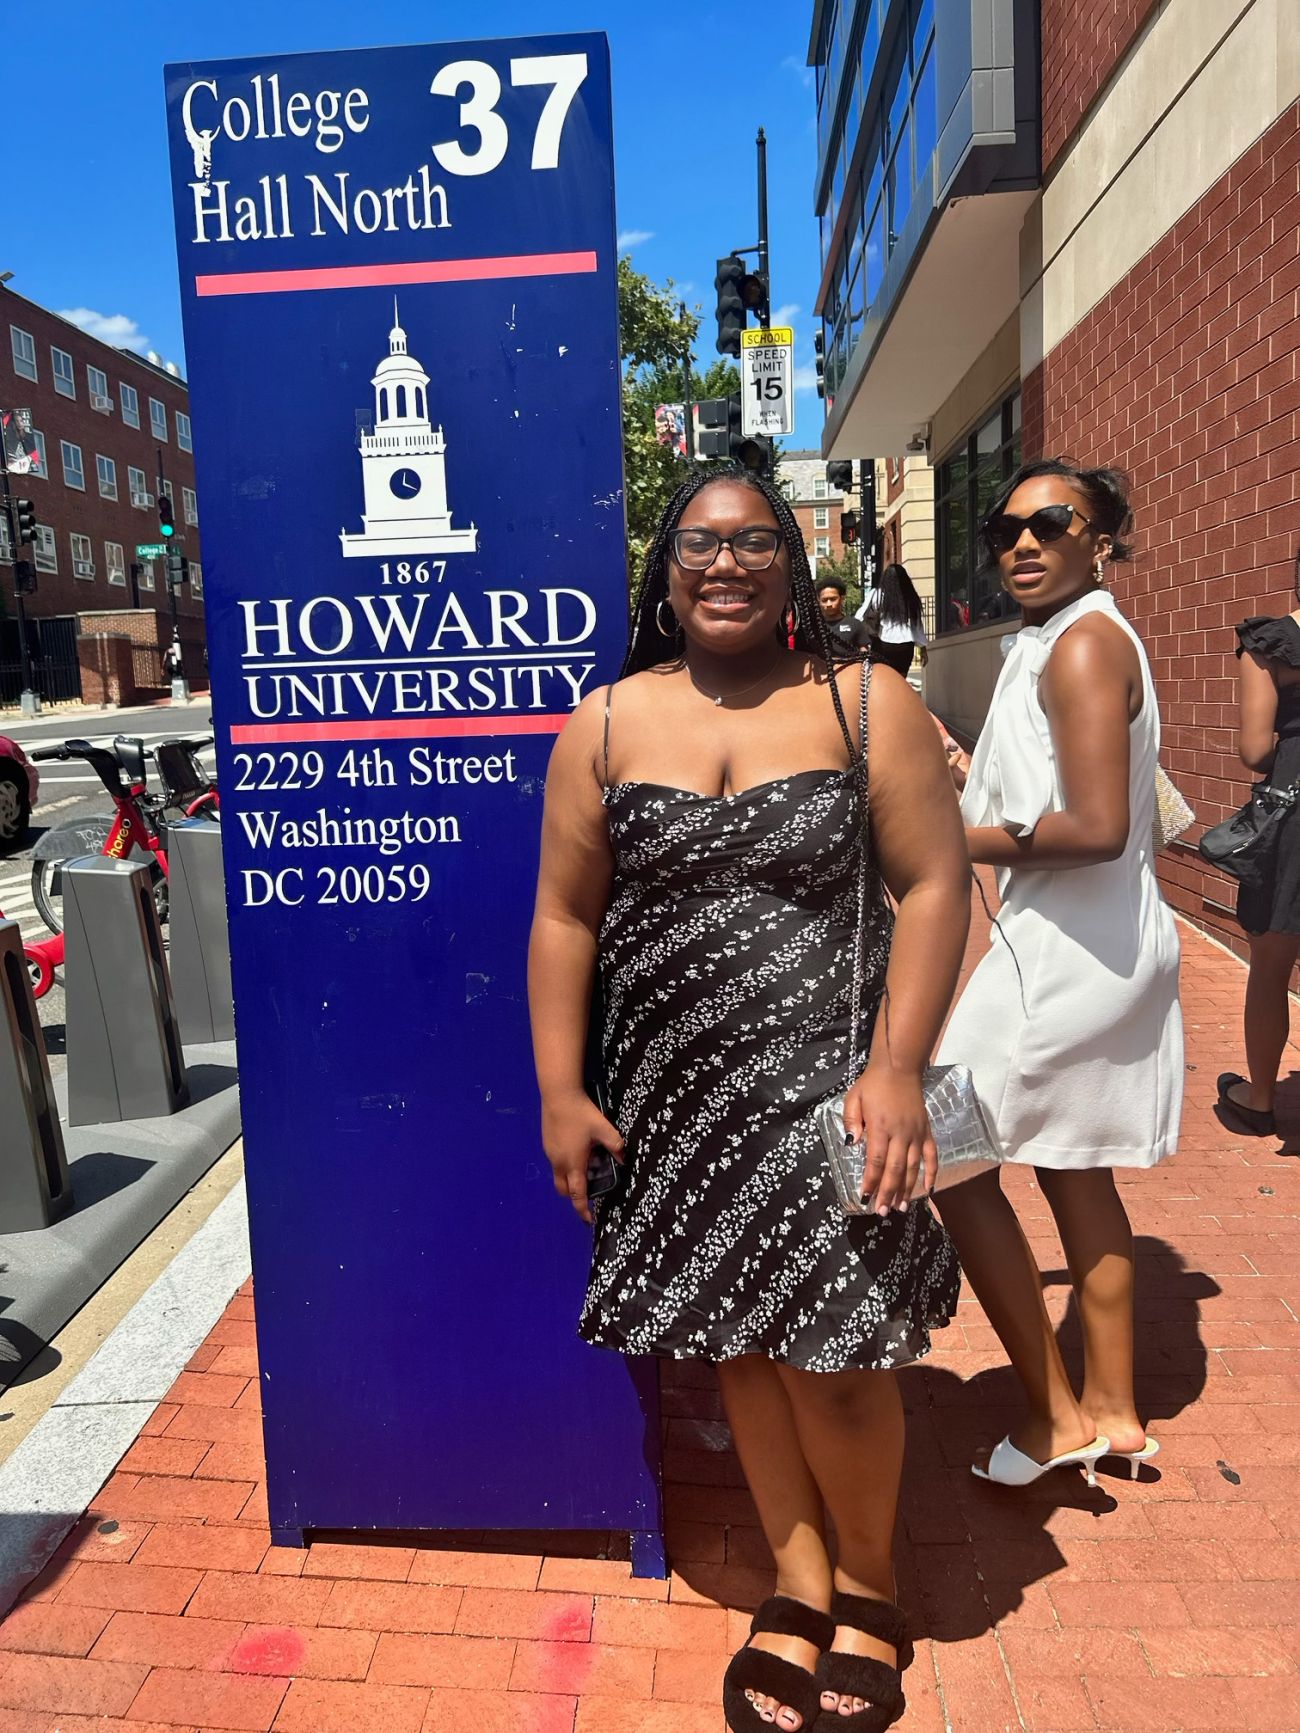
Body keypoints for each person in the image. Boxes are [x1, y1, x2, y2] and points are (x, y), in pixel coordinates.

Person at [529, 465, 971, 1732]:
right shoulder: (603, 724)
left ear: (793, 563)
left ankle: (872, 1590)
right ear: (662, 573)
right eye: (698, 544)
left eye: (753, 542)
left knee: (834, 1357)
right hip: (675, 1097)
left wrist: (898, 1067)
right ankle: (797, 1574)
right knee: (734, 1341)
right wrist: (562, 1086)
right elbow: (564, 917)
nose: (724, 563)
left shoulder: (862, 702)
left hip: (827, 1093)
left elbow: (934, 885)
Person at [933, 459, 1182, 1487]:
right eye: (1003, 530)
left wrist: (949, 835)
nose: (1022, 544)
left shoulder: (1079, 644)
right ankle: (1116, 1412)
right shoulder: (1075, 636)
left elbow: (1090, 825)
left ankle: (1051, 1413)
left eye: (1049, 523)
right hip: (1099, 944)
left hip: (1063, 958)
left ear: (1101, 535)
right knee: (1075, 1168)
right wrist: (964, 774)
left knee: (945, 1147)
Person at [1218, 578, 1300, 1134]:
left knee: (1271, 965)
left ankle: (1261, 1097)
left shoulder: (1272, 643)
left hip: (1292, 820)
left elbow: (1254, 750)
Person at [862, 565, 928, 678]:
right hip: (906, 645)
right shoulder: (911, 597)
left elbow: (861, 616)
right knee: (901, 680)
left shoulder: (877, 595)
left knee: (882, 680)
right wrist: (923, 649)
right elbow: (917, 625)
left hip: (883, 643)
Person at [817, 576, 871, 651]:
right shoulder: (814, 627)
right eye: (824, 600)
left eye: (833, 599)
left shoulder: (855, 625)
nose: (828, 604)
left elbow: (865, 653)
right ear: (819, 601)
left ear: (842, 599)